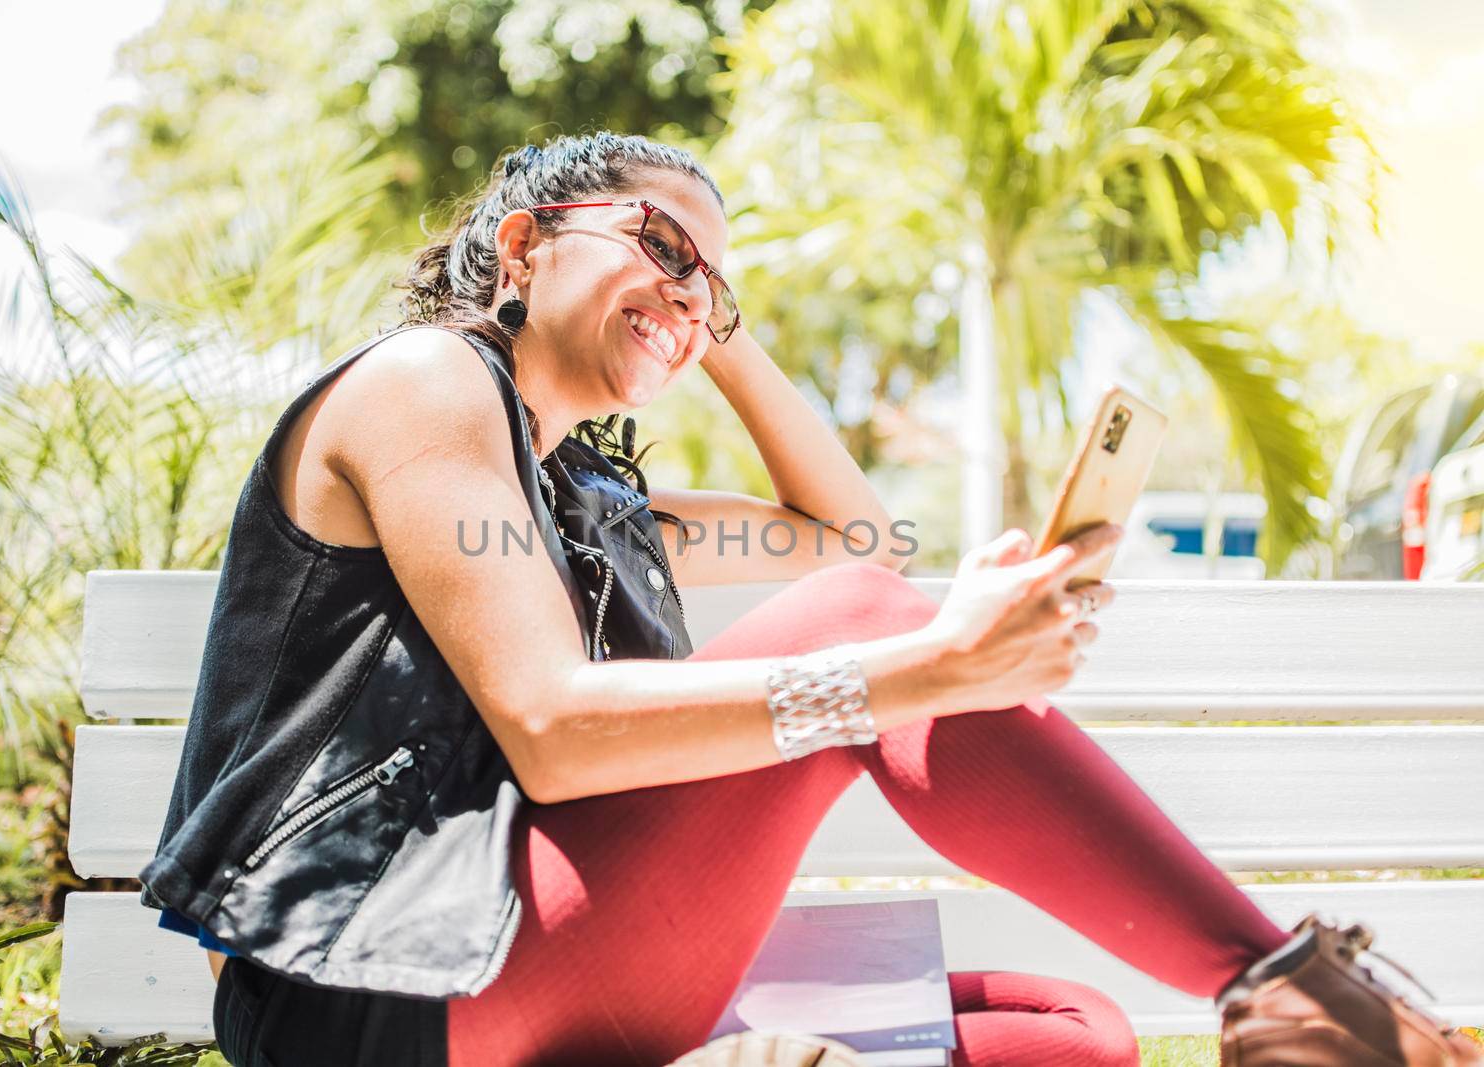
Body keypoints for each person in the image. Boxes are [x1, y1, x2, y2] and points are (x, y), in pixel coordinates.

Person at [141, 131, 1481, 1067]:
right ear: (523, 246)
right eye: (655, 242)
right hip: (386, 987)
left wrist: (708, 327)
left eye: (712, 283)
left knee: (1069, 1039)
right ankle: (1312, 1010)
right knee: (869, 621)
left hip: (537, 960)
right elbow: (554, 722)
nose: (684, 290)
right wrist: (923, 672)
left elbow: (849, 530)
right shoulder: (425, 386)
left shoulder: (588, 504)